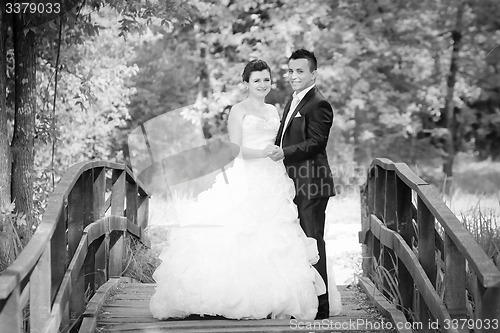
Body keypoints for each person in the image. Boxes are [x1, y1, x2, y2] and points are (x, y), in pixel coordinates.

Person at [149, 59, 338, 320]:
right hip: (246, 176)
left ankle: (277, 298)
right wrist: (263, 153)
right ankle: (228, 296)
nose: (263, 84)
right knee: (239, 233)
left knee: (277, 236)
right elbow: (234, 148)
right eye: (257, 80)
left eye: (266, 79)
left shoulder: (274, 110)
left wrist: (278, 154)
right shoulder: (238, 110)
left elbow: (288, 141)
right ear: (246, 83)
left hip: (274, 177)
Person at [269, 49, 337, 320]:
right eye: (290, 71)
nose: (294, 76)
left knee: (312, 241)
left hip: (311, 183)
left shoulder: (318, 103)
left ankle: (321, 308)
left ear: (313, 74)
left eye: (300, 71)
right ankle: (304, 299)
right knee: (299, 243)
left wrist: (284, 153)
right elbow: (283, 137)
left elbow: (316, 143)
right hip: (293, 182)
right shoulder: (294, 100)